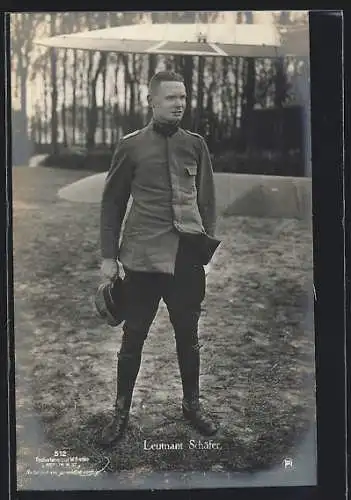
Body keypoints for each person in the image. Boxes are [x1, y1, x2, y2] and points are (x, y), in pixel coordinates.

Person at [99, 70, 220, 445]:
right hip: (142, 259)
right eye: (170, 98)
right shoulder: (131, 146)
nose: (179, 103)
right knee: (133, 338)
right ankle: (120, 412)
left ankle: (192, 405)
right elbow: (112, 204)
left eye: (183, 97)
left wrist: (204, 245)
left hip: (185, 261)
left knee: (189, 337)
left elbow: (208, 201)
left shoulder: (196, 145)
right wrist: (108, 257)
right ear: (151, 101)